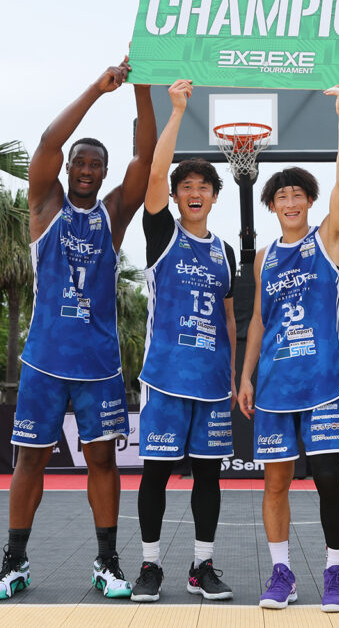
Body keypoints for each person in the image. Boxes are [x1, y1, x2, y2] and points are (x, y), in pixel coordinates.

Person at [0, 58, 156, 601]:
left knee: (102, 459)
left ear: (103, 174)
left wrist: (143, 88)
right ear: (69, 168)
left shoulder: (113, 215)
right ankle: (14, 562)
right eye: (79, 161)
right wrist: (97, 90)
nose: (85, 169)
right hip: (44, 359)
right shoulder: (45, 205)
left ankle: (107, 562)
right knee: (30, 458)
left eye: (94, 164)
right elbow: (47, 142)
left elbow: (146, 158)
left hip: (98, 363)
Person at [237, 84, 339, 614]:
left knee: (327, 478)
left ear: (309, 201)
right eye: (281, 197)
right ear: (271, 206)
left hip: (323, 382)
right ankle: (282, 572)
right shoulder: (264, 258)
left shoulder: (327, 240)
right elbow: (259, 320)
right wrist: (246, 376)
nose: (289, 202)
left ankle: (335, 572)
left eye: (297, 195)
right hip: (275, 386)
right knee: (276, 482)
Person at [130, 80, 238, 604]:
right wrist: (176, 111)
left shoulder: (225, 252)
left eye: (204, 186)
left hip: (212, 384)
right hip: (166, 378)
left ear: (215, 196)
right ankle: (150, 565)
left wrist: (235, 375)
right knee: (156, 474)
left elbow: (230, 320)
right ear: (175, 197)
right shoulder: (162, 235)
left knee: (208, 478)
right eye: (186, 186)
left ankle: (202, 565)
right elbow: (155, 173)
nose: (195, 192)